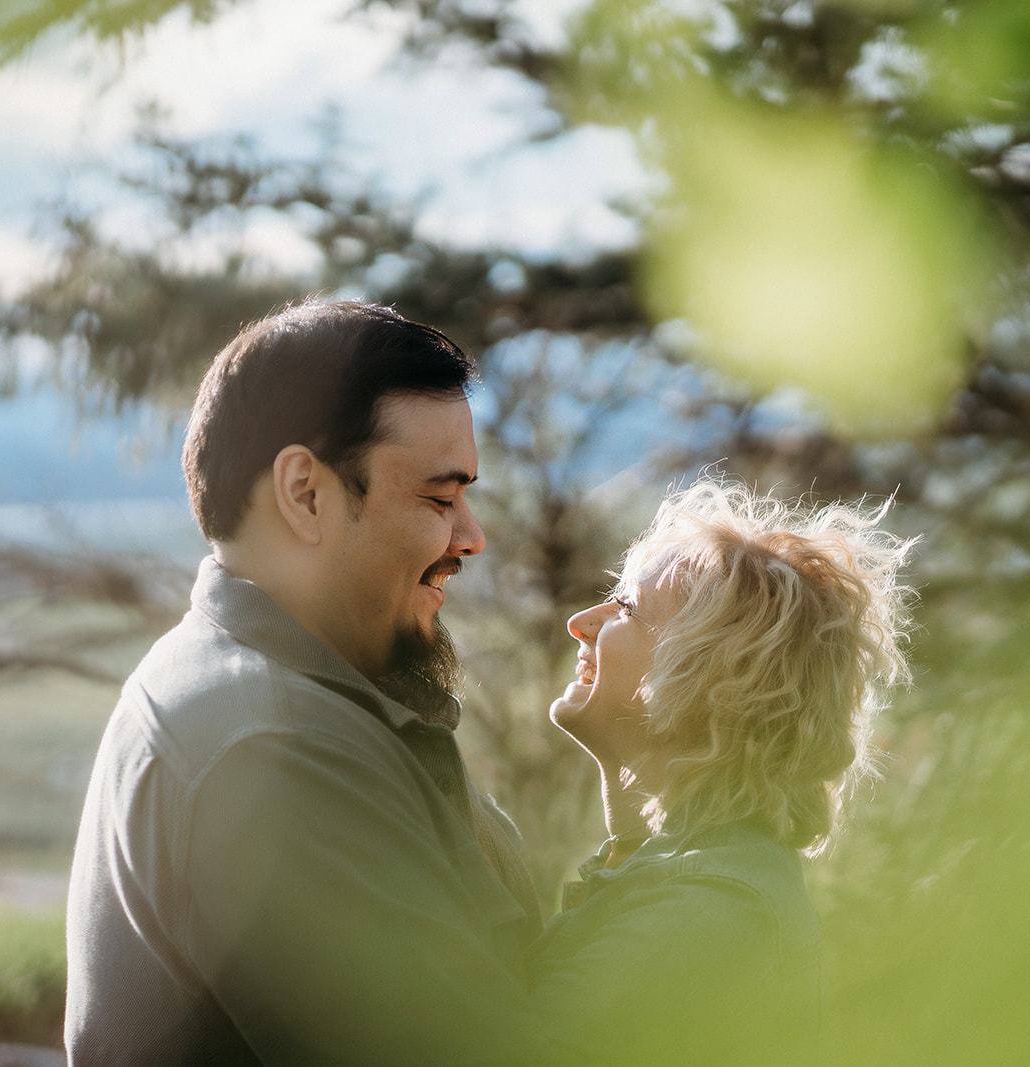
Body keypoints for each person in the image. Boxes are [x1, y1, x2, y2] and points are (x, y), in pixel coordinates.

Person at [65, 301, 562, 1066]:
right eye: (439, 497)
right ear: (305, 493)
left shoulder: (313, 700)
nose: (472, 536)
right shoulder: (273, 748)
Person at [528, 477, 913, 1066]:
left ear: (709, 679)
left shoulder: (706, 911)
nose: (582, 622)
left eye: (628, 607)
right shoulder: (682, 874)